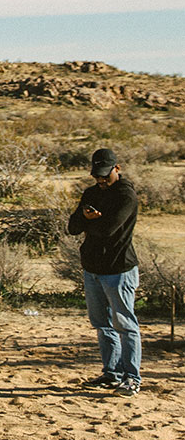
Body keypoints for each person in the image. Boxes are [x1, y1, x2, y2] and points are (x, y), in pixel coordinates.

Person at [68, 148, 141, 397]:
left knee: (125, 324)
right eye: (96, 176)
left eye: (104, 176)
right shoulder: (90, 193)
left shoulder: (125, 195)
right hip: (93, 269)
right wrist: (89, 220)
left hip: (118, 269)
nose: (100, 181)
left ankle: (131, 377)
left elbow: (108, 229)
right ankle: (112, 373)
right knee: (102, 324)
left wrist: (89, 220)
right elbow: (73, 227)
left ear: (116, 169)